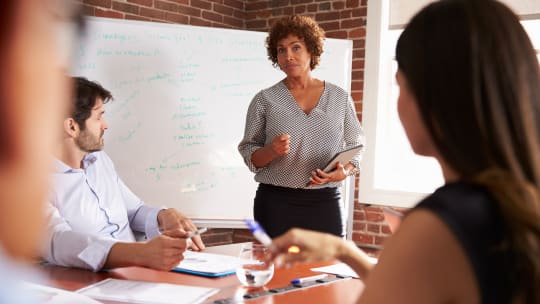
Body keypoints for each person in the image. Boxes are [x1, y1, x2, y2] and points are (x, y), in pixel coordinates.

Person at [269, 0, 540, 303]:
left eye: (400, 85)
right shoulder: (516, 204)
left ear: (434, 95)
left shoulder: (438, 227)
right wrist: (346, 252)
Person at [41, 77, 206, 272]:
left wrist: (163, 215)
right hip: (89, 284)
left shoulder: (99, 160)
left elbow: (133, 211)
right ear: (72, 127)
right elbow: (57, 241)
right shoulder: (31, 179)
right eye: (99, 117)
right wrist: (139, 253)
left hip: (137, 273)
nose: (105, 125)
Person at [238, 15, 364, 238]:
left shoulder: (339, 98)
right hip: (275, 204)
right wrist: (270, 151)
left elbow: (356, 144)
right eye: (281, 50)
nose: (288, 56)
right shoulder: (265, 99)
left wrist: (344, 172)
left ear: (311, 51)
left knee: (329, 269)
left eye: (296, 48)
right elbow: (250, 153)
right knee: (276, 270)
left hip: (324, 202)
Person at [0, 0, 85, 302]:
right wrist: (132, 252)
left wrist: (162, 215)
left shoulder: (102, 164)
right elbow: (54, 237)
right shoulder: (46, 171)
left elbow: (136, 208)